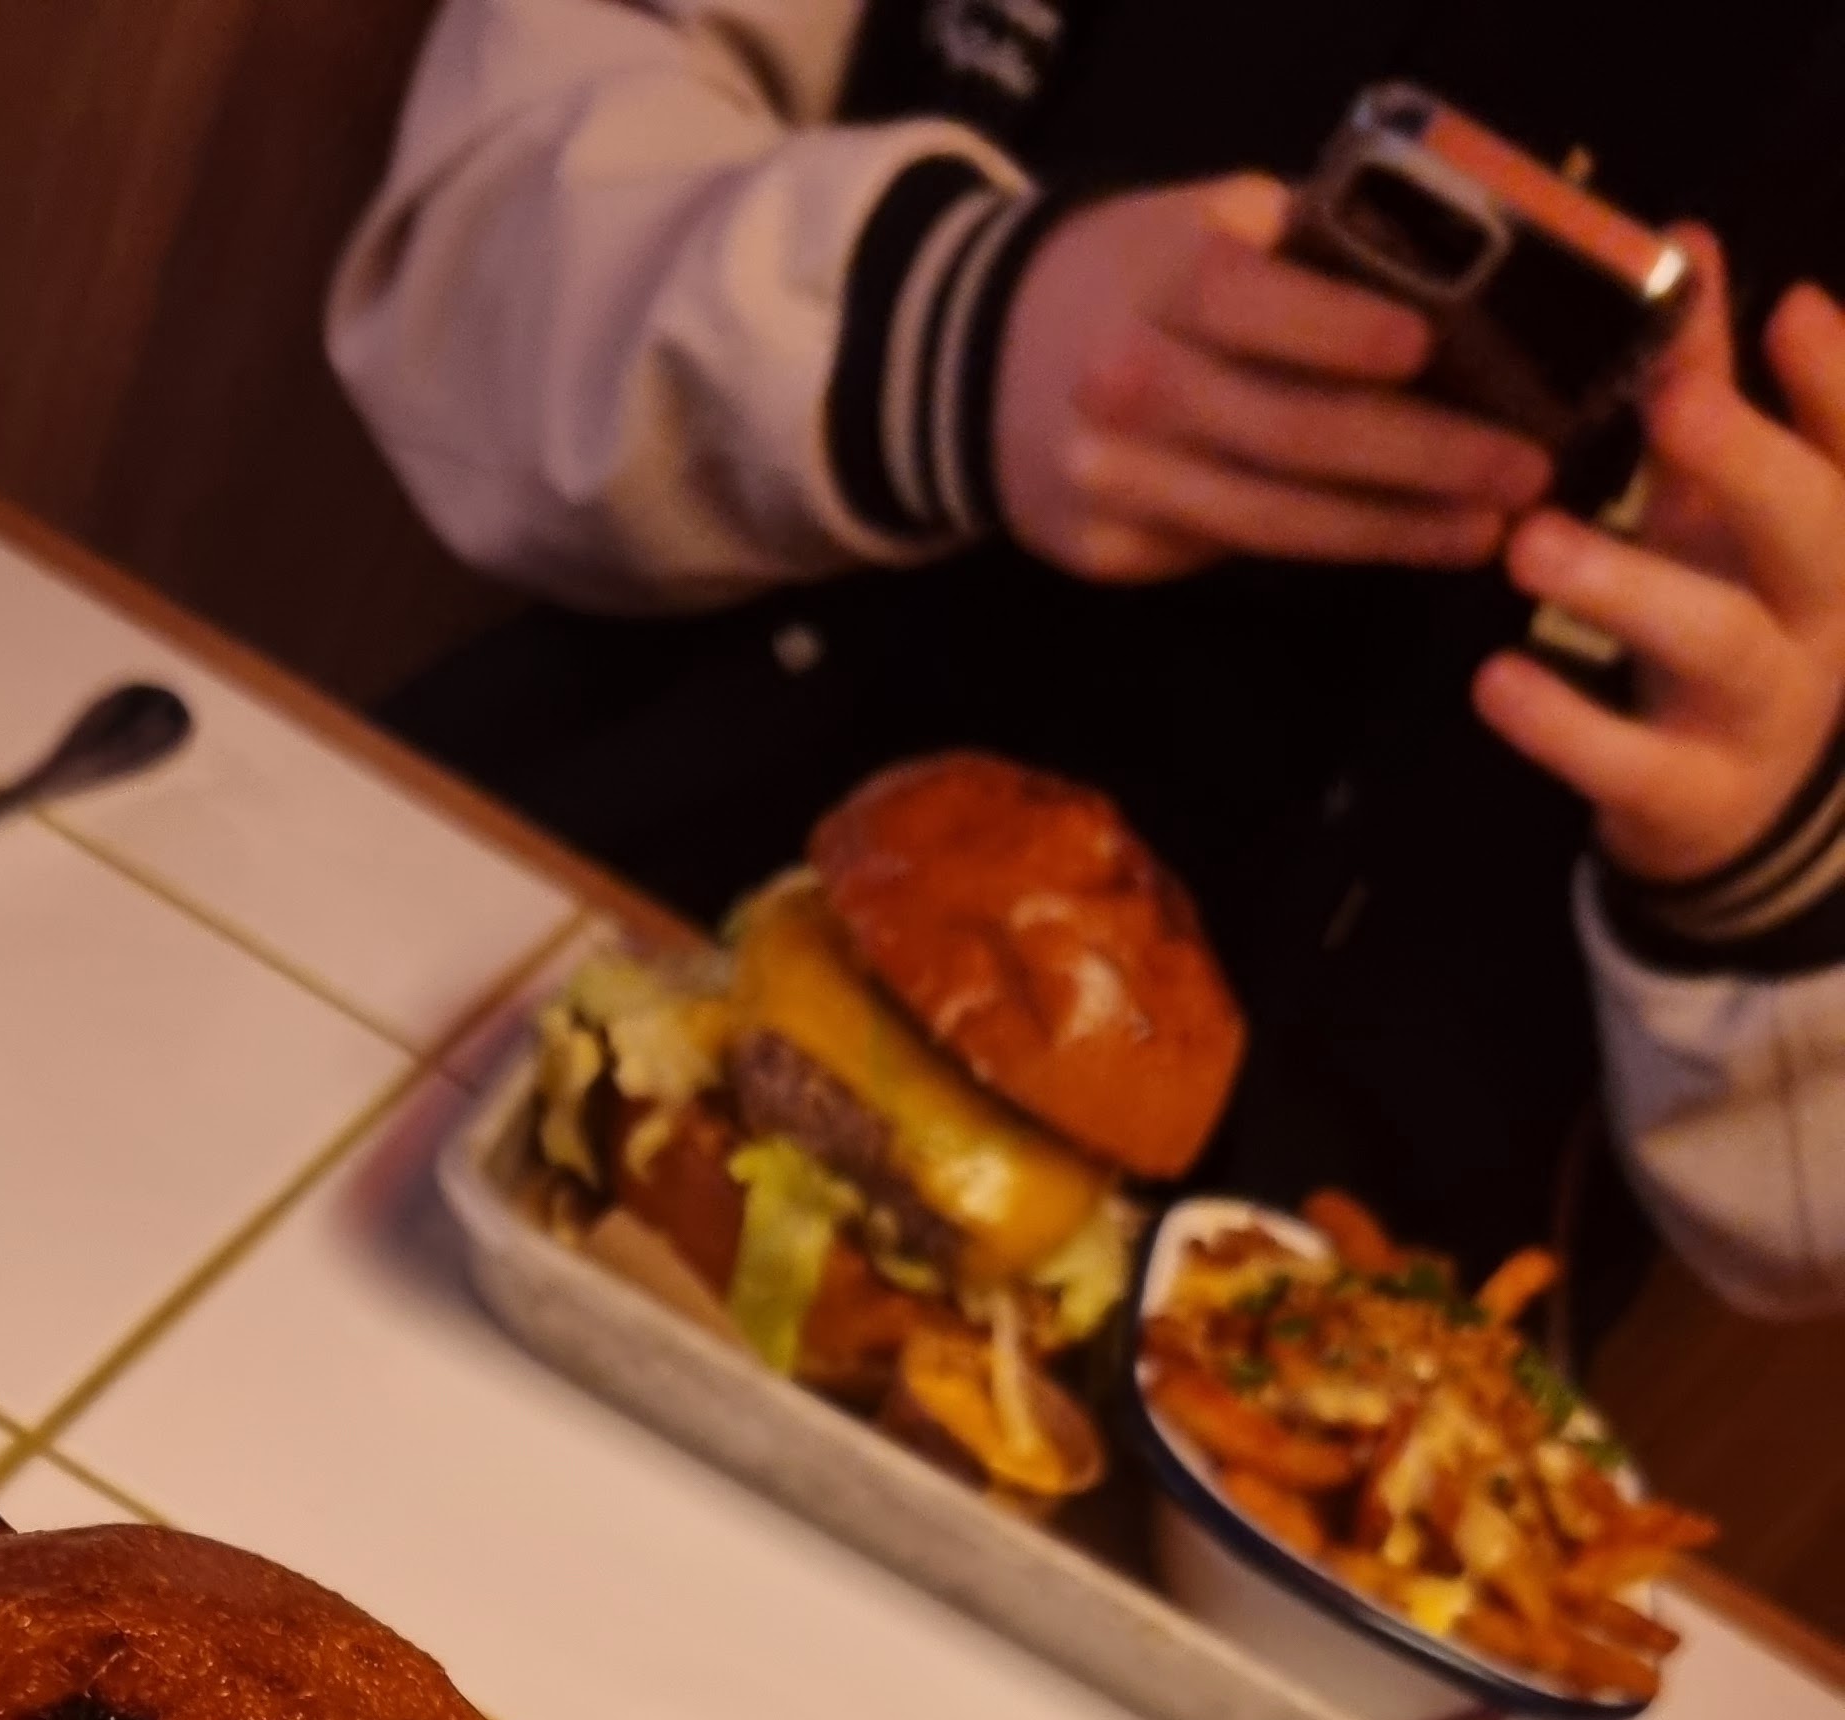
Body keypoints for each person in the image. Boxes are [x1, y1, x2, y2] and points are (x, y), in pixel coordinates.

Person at [329, 2, 1845, 1321]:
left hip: (1317, 1408)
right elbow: (466, 253)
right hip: (504, 982)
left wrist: (1773, 844)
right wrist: (955, 326)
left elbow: (1800, 1234)